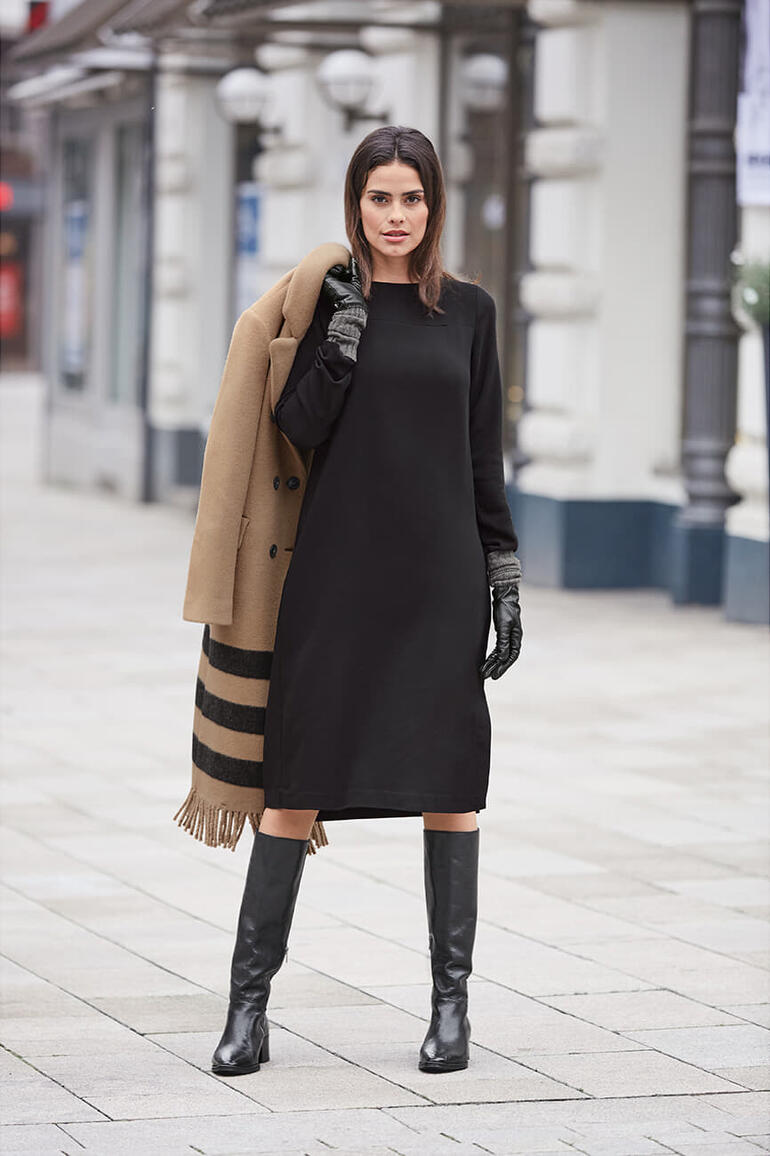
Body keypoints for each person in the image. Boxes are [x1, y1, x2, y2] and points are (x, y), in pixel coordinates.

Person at [211, 124, 522, 1078]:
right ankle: (247, 1011)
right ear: (356, 204)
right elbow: (292, 431)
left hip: (438, 583)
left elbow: (482, 455)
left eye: (412, 199)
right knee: (294, 791)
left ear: (434, 207)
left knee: (450, 791)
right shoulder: (323, 300)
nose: (396, 216)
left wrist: (502, 575)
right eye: (380, 198)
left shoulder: (468, 312)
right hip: (336, 582)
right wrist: (337, 348)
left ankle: (450, 1009)